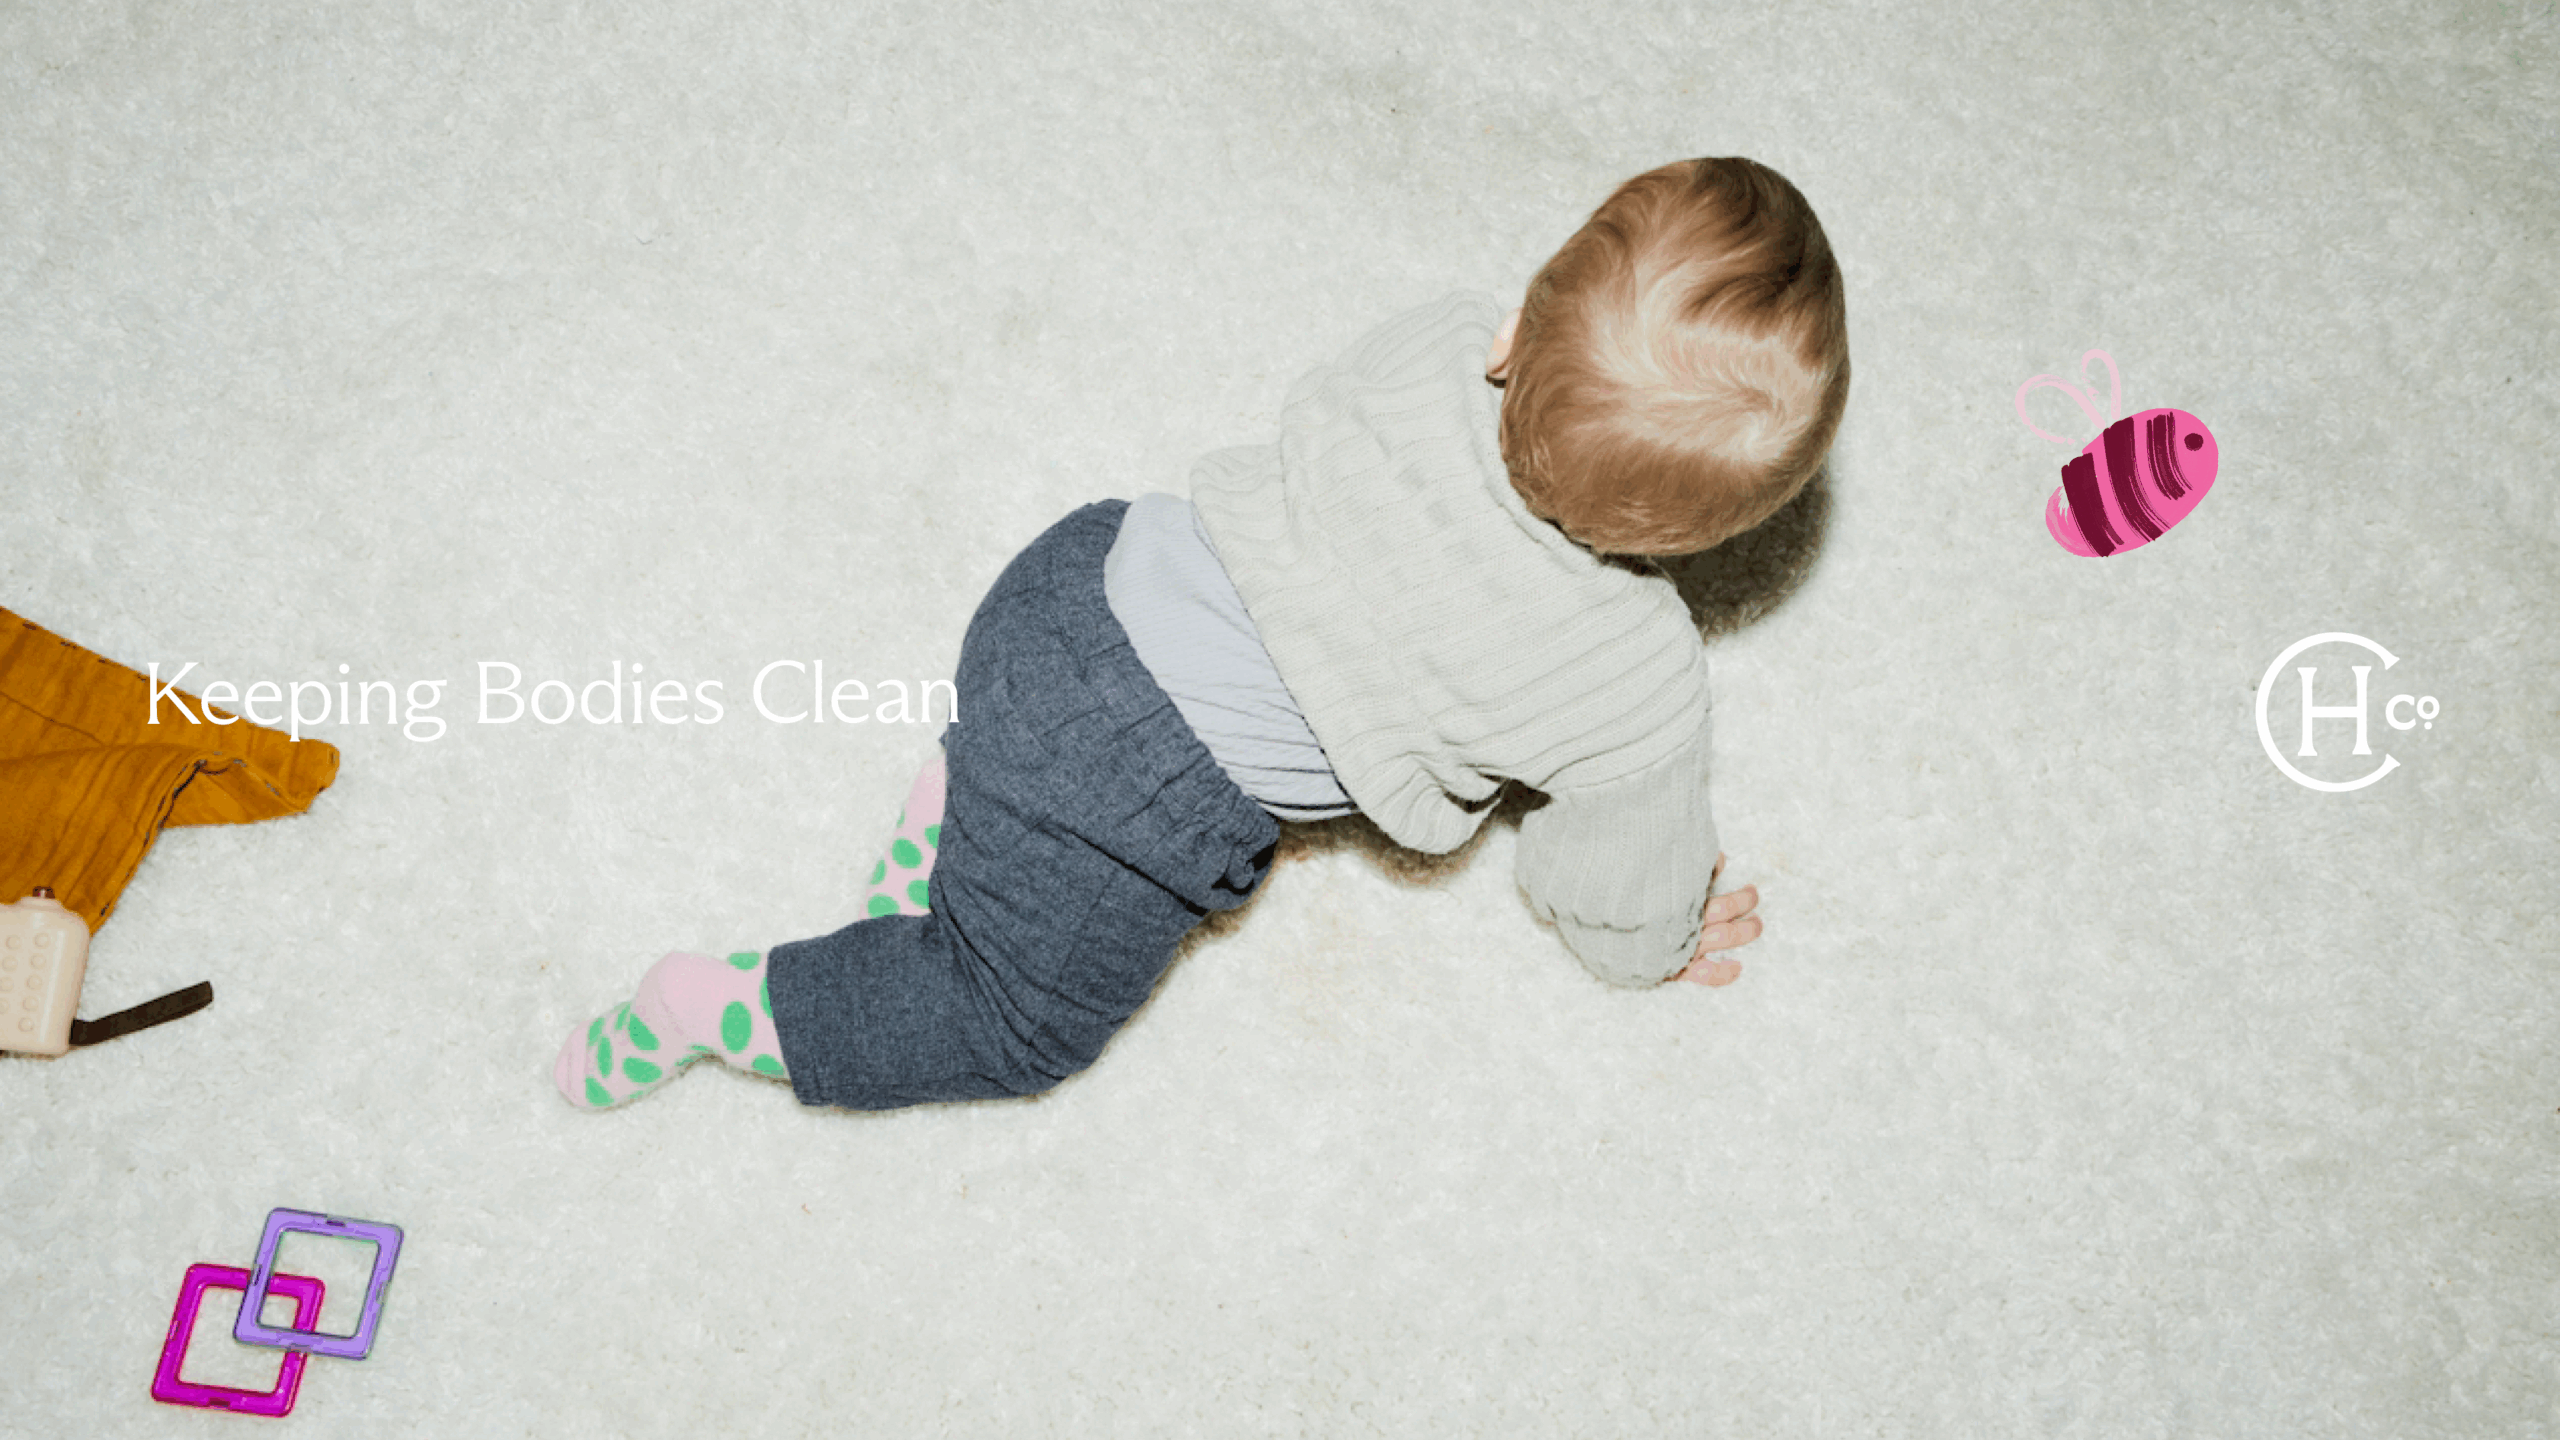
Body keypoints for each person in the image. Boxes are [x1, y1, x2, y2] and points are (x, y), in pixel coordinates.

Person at [554, 156, 1850, 1113]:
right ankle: (713, 1007)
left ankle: (955, 809)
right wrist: (1658, 942)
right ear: (1714, 533)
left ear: (1519, 328)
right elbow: (1609, 881)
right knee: (1013, 1028)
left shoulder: (1442, 342)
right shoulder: (1636, 684)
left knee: (1011, 788)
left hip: (1071, 581)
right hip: (1128, 789)